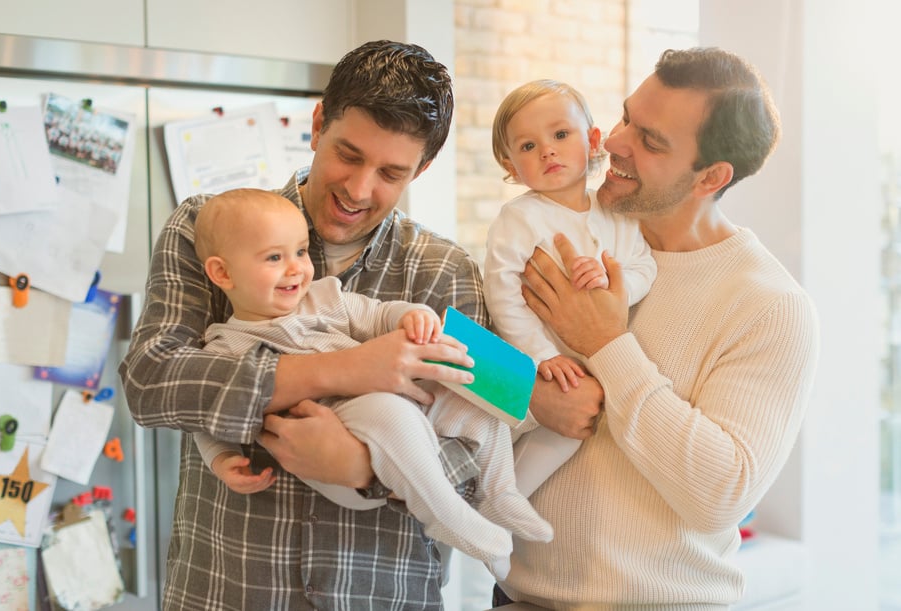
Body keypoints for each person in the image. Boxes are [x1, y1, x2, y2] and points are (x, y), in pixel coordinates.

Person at [119, 40, 514, 610]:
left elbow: (477, 449)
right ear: (317, 124)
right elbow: (151, 381)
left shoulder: (445, 270)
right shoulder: (208, 226)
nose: (358, 189)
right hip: (227, 590)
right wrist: (341, 369)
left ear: (422, 170)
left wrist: (366, 467)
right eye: (348, 155)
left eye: (391, 173)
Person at [494, 47, 821, 608]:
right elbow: (471, 368)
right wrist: (530, 395)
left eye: (649, 140)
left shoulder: (770, 306)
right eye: (626, 117)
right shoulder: (555, 229)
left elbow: (720, 495)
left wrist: (607, 344)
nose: (614, 142)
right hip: (516, 597)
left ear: (711, 176)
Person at [190, 187, 552, 578]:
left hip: (395, 416)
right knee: (391, 409)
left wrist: (410, 315)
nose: (296, 268)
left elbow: (378, 315)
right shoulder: (224, 346)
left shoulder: (323, 298)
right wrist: (221, 457)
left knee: (466, 391)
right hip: (330, 437)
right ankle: (446, 516)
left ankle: (498, 493)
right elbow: (205, 416)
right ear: (222, 273)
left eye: (300, 252)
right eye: (275, 258)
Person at [484, 79, 656, 496]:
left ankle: (503, 505)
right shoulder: (519, 218)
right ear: (511, 166)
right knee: (490, 435)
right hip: (535, 366)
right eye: (528, 146)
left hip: (590, 371)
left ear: (593, 141)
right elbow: (502, 292)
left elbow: (644, 266)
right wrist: (539, 354)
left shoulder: (616, 214)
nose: (547, 151)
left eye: (561, 135)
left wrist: (615, 285)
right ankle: (477, 498)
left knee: (564, 436)